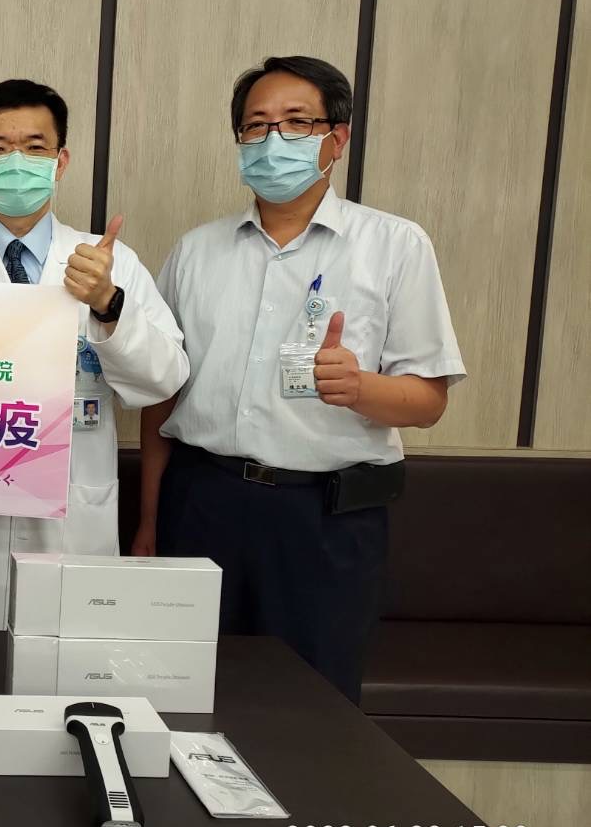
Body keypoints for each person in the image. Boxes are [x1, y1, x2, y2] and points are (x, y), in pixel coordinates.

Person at [135, 55, 466, 714]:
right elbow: (160, 393)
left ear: (336, 138)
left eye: (295, 123)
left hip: (323, 520)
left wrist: (361, 387)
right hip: (202, 503)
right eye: (256, 126)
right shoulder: (196, 251)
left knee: (311, 713)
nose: (273, 140)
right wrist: (148, 523)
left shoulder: (394, 246)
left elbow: (428, 401)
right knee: (181, 698)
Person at [0, 78, 188, 629]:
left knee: (64, 657)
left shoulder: (112, 266)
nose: (16, 162)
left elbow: (164, 380)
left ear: (61, 161)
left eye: (34, 147)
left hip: (72, 515)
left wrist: (107, 304)